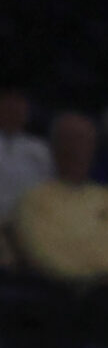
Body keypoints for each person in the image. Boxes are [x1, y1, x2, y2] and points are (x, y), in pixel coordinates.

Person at [12, 110, 108, 296]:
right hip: (63, 298)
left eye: (83, 141)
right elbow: (43, 255)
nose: (75, 149)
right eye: (68, 141)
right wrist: (95, 278)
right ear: (54, 148)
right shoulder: (34, 201)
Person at [0, 86, 52, 243]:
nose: (13, 114)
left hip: (31, 229)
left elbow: (49, 190)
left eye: (18, 110)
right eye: (8, 108)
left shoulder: (40, 149)